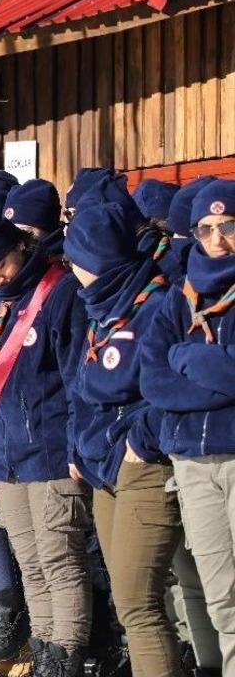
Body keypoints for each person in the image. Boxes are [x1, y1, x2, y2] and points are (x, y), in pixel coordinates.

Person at [0, 211, 91, 675]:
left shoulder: (60, 291)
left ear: (19, 245)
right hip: (7, 454)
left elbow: (77, 379)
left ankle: (66, 653)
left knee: (59, 560)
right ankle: (44, 644)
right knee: (30, 562)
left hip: (52, 451)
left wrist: (77, 447)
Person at [64, 202, 182, 677]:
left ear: (99, 260)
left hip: (143, 467)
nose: (71, 271)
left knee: (139, 604)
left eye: (77, 260)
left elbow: (171, 387)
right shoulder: (101, 310)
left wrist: (142, 442)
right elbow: (80, 388)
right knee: (126, 601)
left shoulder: (156, 306)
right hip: (103, 468)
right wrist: (78, 445)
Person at [142, 180, 235, 677]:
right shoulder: (178, 300)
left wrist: (188, 358)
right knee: (216, 591)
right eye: (206, 229)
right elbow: (154, 382)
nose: (217, 239)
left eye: (228, 226)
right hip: (192, 462)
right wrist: (208, 367)